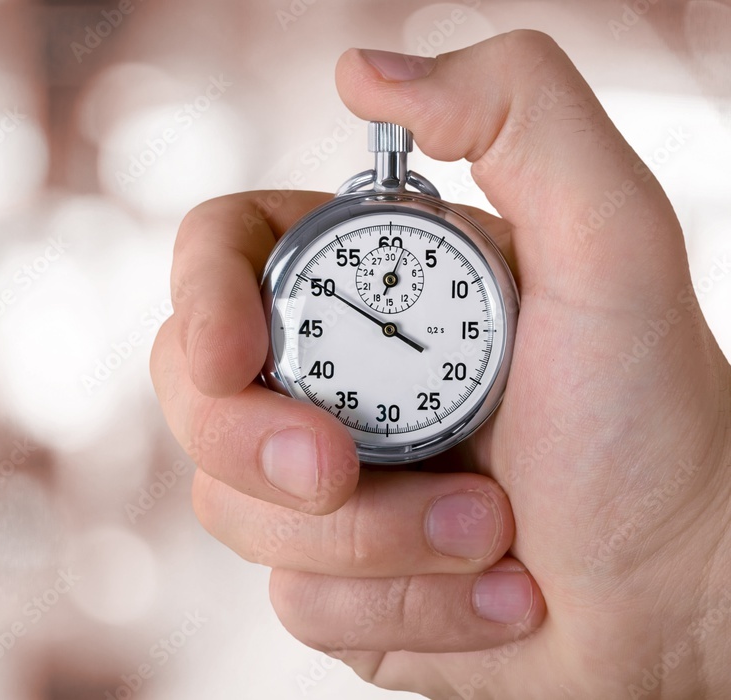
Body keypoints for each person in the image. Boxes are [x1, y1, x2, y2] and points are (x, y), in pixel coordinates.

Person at [150, 30, 731, 699]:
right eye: (375, 319)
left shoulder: (509, 279)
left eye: (394, 321)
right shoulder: (314, 272)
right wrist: (683, 636)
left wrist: (698, 559)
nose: (390, 326)